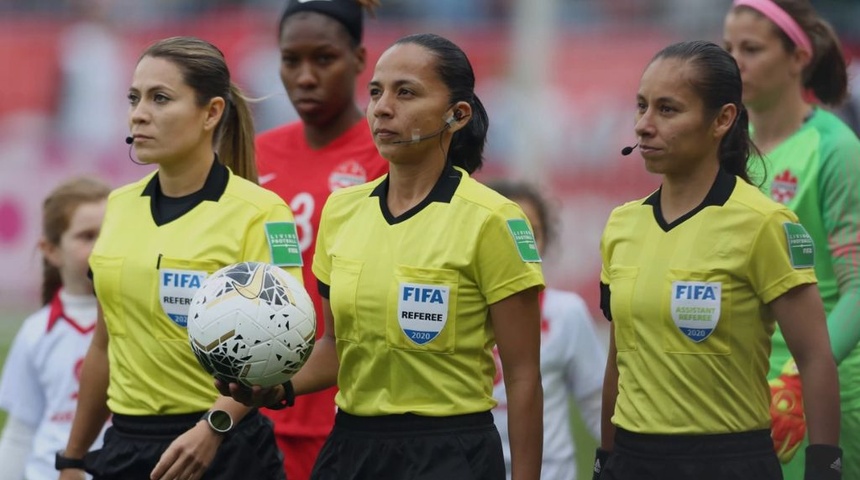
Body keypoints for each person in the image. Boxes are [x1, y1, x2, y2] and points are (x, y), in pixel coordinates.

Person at [220, 33, 546, 479]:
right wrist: (276, 388)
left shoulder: (494, 220)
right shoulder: (343, 210)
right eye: (375, 92)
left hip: (449, 453)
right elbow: (336, 348)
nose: (382, 107)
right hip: (351, 449)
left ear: (458, 115)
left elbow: (524, 376)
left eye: (405, 92)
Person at [57, 36, 302, 480]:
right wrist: (73, 458)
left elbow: (283, 347)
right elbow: (104, 345)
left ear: (211, 112)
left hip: (224, 449)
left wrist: (214, 427)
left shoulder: (264, 213)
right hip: (126, 449)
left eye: (160, 98)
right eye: (135, 97)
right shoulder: (119, 205)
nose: (139, 113)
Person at [593, 40, 841, 480]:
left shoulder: (765, 224)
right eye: (641, 107)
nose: (644, 126)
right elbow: (619, 358)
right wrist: (605, 461)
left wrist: (825, 468)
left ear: (722, 119)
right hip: (632, 461)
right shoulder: (621, 225)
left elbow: (816, 357)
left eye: (667, 110)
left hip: (729, 462)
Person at [723, 1, 860, 478]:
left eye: (752, 49)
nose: (735, 62)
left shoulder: (835, 148)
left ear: (798, 57)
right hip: (741, 385)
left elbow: (858, 289)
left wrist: (799, 382)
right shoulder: (727, 147)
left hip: (818, 387)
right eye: (728, 48)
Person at [254, 1, 388, 478]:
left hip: (351, 409)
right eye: (292, 60)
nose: (305, 77)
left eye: (323, 59)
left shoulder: (387, 157)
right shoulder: (256, 153)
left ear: (358, 59)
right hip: (260, 405)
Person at [488, 180, 605, 480]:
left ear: (545, 241)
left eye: (532, 234)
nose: (519, 244)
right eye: (507, 233)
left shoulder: (567, 313)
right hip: (475, 468)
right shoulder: (458, 313)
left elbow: (597, 403)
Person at [0, 177, 110, 480]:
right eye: (87, 236)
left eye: (109, 234)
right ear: (51, 250)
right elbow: (21, 432)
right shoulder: (35, 332)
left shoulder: (137, 320)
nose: (101, 246)